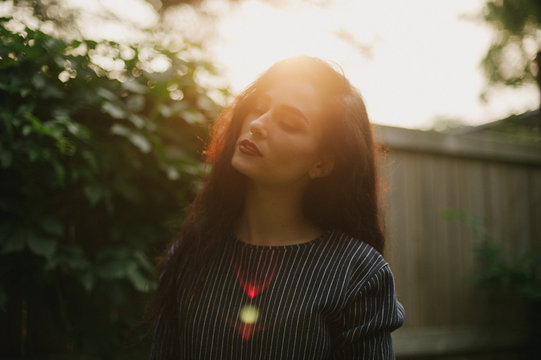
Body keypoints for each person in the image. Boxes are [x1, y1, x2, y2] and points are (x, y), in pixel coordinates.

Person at [150, 56, 405, 359]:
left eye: (288, 123)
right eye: (259, 107)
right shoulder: (192, 251)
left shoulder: (357, 273)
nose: (257, 124)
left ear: (321, 164)